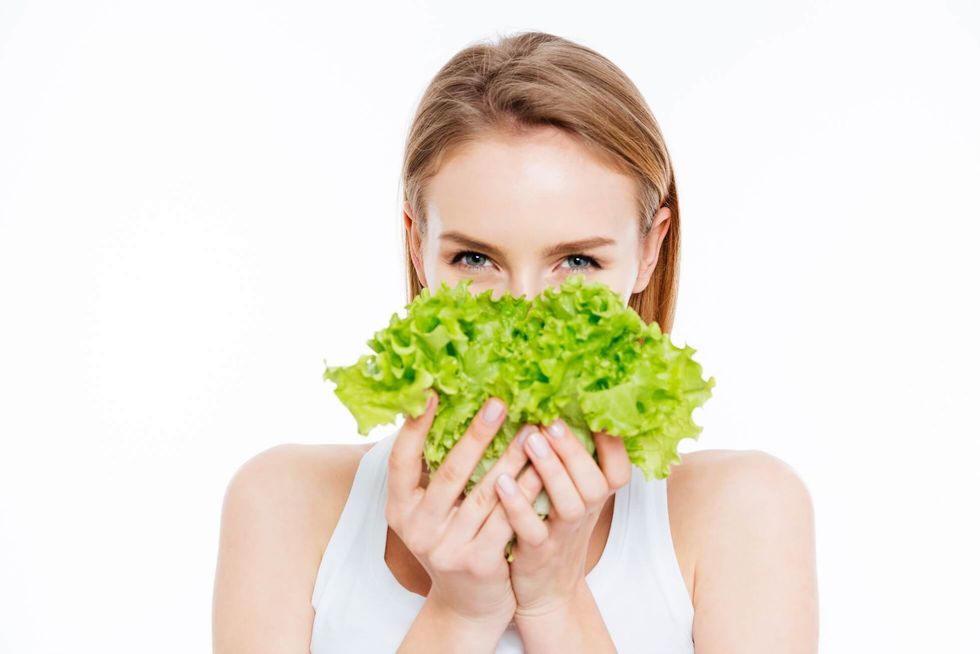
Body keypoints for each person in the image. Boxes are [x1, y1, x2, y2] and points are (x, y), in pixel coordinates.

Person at [212, 30, 819, 653]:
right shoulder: (284, 505)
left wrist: (556, 600)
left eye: (578, 262)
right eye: (475, 258)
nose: (524, 312)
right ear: (419, 246)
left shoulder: (744, 515)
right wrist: (459, 614)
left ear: (649, 251)